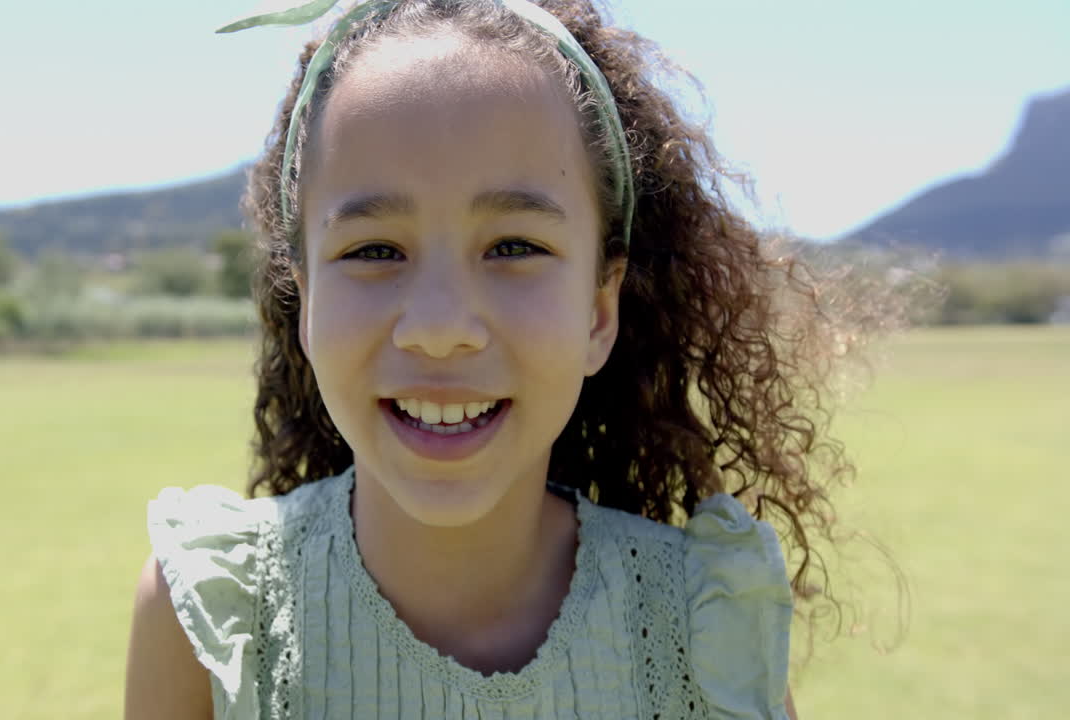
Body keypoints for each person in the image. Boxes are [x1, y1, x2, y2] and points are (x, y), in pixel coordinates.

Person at [125, 1, 870, 717]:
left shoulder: (704, 627)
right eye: (374, 250)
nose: (441, 328)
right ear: (307, 299)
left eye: (515, 246)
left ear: (598, 311)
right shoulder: (210, 613)